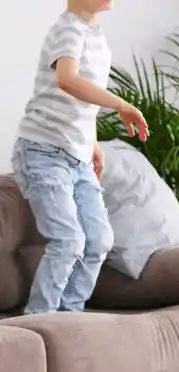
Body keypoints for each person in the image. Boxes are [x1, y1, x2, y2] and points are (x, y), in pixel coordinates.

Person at [11, 0, 148, 315]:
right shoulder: (68, 29)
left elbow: (83, 102)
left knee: (99, 240)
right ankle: (39, 321)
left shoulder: (95, 34)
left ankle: (69, 317)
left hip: (78, 157)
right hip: (43, 153)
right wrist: (121, 105)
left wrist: (92, 144)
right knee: (68, 241)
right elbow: (68, 80)